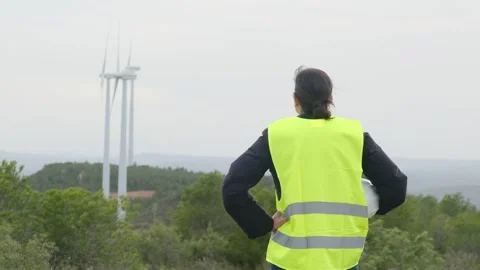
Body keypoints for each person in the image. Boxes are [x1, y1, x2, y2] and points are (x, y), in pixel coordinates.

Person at [222, 66, 408, 270]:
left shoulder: (277, 135)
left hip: (289, 261)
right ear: (330, 98)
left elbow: (233, 188)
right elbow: (396, 186)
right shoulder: (353, 135)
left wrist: (263, 224)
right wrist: (368, 208)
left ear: (295, 99)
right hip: (342, 261)